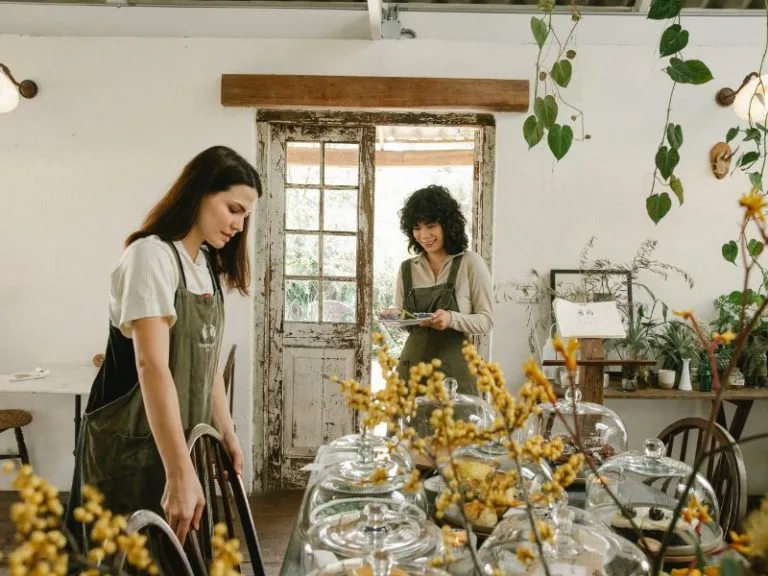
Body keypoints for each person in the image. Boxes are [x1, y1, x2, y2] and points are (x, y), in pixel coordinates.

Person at [65, 145, 261, 549]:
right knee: (128, 558)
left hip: (177, 445)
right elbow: (152, 366)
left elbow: (206, 369)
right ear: (200, 193)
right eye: (234, 208)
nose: (240, 225)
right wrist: (179, 470)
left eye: (246, 215)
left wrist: (227, 432)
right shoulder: (150, 256)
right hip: (130, 449)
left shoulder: (204, 264)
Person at [393, 184, 494, 395]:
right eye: (417, 227)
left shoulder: (470, 263)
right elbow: (404, 325)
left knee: (457, 426)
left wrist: (451, 319)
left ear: (447, 225)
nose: (424, 235)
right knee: (408, 427)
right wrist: (395, 318)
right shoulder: (407, 269)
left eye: (431, 226)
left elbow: (486, 321)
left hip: (455, 373)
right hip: (412, 372)